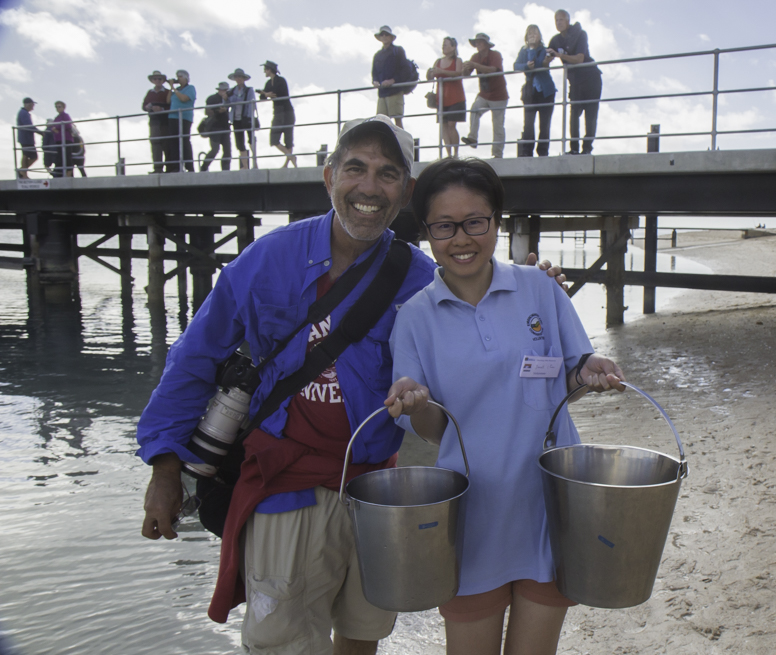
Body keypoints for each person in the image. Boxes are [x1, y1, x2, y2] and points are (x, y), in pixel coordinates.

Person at [137, 116, 565, 655]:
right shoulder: (267, 260)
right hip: (284, 482)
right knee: (280, 641)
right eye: (355, 168)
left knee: (363, 636)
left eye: (388, 173)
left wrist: (534, 285)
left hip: (377, 490)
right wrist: (164, 467)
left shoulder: (419, 278)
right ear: (328, 176)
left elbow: (481, 303)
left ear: (406, 191)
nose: (369, 186)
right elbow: (194, 358)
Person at [385, 157, 625, 655]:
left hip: (551, 509)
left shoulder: (540, 288)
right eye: (444, 226)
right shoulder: (413, 318)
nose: (462, 238)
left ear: (497, 220)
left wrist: (589, 373)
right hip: (470, 518)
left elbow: (568, 381)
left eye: (476, 221)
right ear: (426, 232)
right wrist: (414, 403)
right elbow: (433, 431)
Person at [547, 9, 603, 155]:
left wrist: (560, 55)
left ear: (567, 21)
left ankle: (587, 149)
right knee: (574, 114)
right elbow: (546, 58)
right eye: (556, 20)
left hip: (591, 78)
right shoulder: (555, 40)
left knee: (590, 116)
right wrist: (542, 60)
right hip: (575, 82)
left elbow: (579, 59)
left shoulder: (580, 34)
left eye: (561, 20)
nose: (559, 23)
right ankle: (574, 149)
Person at [461, 33, 509, 159]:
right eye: (476, 42)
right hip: (484, 93)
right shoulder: (475, 57)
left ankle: (497, 154)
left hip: (499, 95)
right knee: (474, 110)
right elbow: (466, 75)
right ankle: (473, 138)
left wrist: (474, 65)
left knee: (497, 125)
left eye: (480, 42)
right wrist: (465, 68)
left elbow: (493, 70)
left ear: (487, 44)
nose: (478, 44)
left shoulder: (495, 55)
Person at [514, 25, 556, 157]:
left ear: (539, 36)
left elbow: (538, 64)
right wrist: (526, 65)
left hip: (545, 91)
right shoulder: (523, 51)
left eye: (535, 33)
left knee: (544, 124)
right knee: (528, 123)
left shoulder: (544, 50)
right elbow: (516, 66)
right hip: (530, 92)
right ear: (526, 36)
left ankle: (543, 151)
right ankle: (527, 151)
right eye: (529, 33)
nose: (532, 35)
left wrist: (532, 51)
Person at [427, 37, 466, 158]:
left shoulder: (458, 60)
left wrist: (441, 72)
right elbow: (430, 78)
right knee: (443, 125)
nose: (443, 47)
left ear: (453, 47)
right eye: (443, 45)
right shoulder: (438, 61)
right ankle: (448, 154)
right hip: (441, 98)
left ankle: (455, 153)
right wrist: (431, 73)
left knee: (451, 124)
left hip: (455, 97)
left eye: (446, 45)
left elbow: (458, 73)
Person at [259, 60, 297, 168]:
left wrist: (266, 94)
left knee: (288, 138)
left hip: (286, 111)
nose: (264, 72)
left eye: (265, 69)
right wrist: (266, 94)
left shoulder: (281, 81)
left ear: (269, 70)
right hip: (277, 111)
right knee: (274, 139)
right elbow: (263, 96)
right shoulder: (268, 83)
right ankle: (291, 156)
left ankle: (287, 163)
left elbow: (277, 93)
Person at [372, 26, 406, 128]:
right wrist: (375, 81)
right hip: (382, 93)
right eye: (382, 35)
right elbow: (374, 73)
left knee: (397, 120)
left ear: (391, 37)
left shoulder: (398, 51)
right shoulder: (377, 55)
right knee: (381, 122)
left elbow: (405, 70)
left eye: (386, 34)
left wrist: (393, 80)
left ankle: (401, 143)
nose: (384, 36)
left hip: (395, 90)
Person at [166, 69, 197, 172]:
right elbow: (168, 101)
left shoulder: (190, 88)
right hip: (173, 117)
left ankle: (189, 166)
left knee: (184, 141)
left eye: (180, 76)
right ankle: (176, 166)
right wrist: (171, 89)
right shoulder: (176, 90)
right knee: (174, 142)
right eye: (177, 76)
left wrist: (174, 88)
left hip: (184, 118)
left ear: (186, 78)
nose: (178, 78)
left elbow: (183, 99)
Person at [227, 68, 258, 170]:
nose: (238, 79)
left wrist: (249, 118)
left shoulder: (249, 90)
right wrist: (225, 98)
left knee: (251, 141)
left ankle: (255, 162)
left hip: (247, 118)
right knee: (240, 143)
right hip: (236, 120)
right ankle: (245, 166)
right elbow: (228, 104)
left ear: (243, 78)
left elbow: (252, 104)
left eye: (240, 77)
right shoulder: (231, 91)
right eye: (236, 77)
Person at [143, 70, 171, 174]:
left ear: (163, 80)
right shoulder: (149, 93)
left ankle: (169, 168)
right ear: (152, 81)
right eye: (155, 79)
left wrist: (161, 109)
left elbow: (171, 105)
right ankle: (158, 169)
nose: (157, 80)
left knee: (166, 143)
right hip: (154, 121)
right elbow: (143, 106)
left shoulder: (168, 92)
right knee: (155, 144)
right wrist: (149, 107)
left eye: (160, 79)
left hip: (165, 121)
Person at [201, 82, 232, 172]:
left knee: (227, 151)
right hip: (215, 127)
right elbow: (207, 112)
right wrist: (218, 111)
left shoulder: (229, 99)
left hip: (225, 127)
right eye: (224, 90)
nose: (225, 92)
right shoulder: (212, 98)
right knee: (215, 150)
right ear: (219, 90)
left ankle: (225, 170)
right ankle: (204, 167)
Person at [16, 97, 44, 178]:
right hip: (26, 138)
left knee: (29, 155)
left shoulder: (24, 113)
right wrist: (40, 132)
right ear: (27, 104)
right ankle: (23, 173)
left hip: (26, 138)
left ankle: (22, 171)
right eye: (32, 104)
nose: (33, 106)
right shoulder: (23, 113)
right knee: (28, 155)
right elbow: (29, 126)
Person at [50, 100, 75, 177]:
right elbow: (52, 127)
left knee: (67, 157)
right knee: (59, 158)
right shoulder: (57, 117)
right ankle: (60, 174)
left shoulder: (65, 115)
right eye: (56, 107)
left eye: (59, 106)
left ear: (63, 107)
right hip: (59, 140)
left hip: (66, 140)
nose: (58, 108)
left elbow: (68, 125)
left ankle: (69, 174)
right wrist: (54, 129)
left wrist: (57, 127)